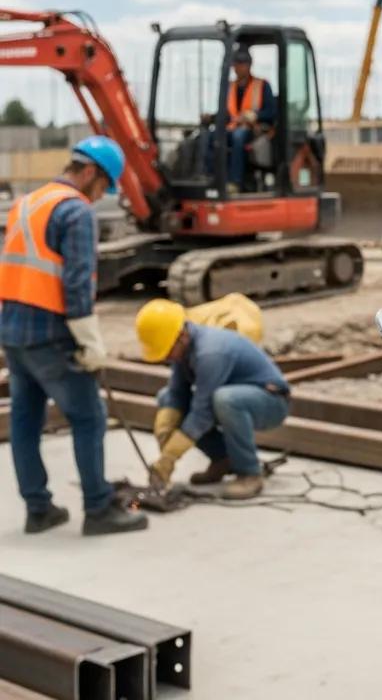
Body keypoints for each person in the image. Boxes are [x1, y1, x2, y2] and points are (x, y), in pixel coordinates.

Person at [0, 137, 148, 536]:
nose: (101, 195)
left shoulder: (27, 203)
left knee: (26, 422)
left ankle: (38, 509)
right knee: (88, 417)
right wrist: (89, 341)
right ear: (89, 173)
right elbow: (78, 283)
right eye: (103, 186)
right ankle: (99, 510)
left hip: (13, 328)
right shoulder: (75, 211)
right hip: (51, 332)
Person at [136, 299, 289, 500]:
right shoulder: (183, 348)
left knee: (224, 400)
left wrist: (171, 455)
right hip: (235, 399)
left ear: (181, 337)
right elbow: (176, 393)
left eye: (167, 351)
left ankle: (250, 473)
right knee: (166, 397)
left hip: (271, 401)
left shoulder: (211, 352)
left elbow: (203, 411)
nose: (167, 358)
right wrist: (164, 426)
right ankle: (222, 459)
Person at [225, 45, 276, 192]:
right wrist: (212, 117)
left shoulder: (262, 85)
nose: (237, 68)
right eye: (235, 64)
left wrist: (256, 115)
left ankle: (235, 183)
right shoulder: (230, 87)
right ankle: (209, 176)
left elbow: (271, 111)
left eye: (241, 64)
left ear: (248, 65)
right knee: (209, 136)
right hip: (233, 128)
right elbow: (227, 113)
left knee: (239, 137)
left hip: (256, 131)